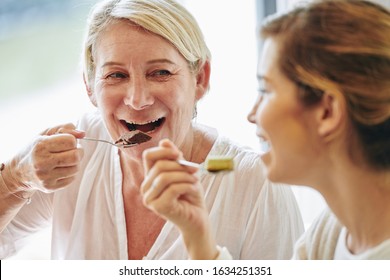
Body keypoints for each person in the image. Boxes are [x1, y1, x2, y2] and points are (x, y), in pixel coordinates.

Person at [0, 0, 304, 260]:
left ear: (200, 79)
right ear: (89, 87)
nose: (138, 99)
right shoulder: (73, 157)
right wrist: (15, 178)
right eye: (116, 75)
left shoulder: (257, 187)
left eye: (160, 72)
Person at [141, 0, 390, 260]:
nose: (251, 115)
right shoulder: (332, 232)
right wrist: (198, 239)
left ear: (327, 112)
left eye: (266, 91)